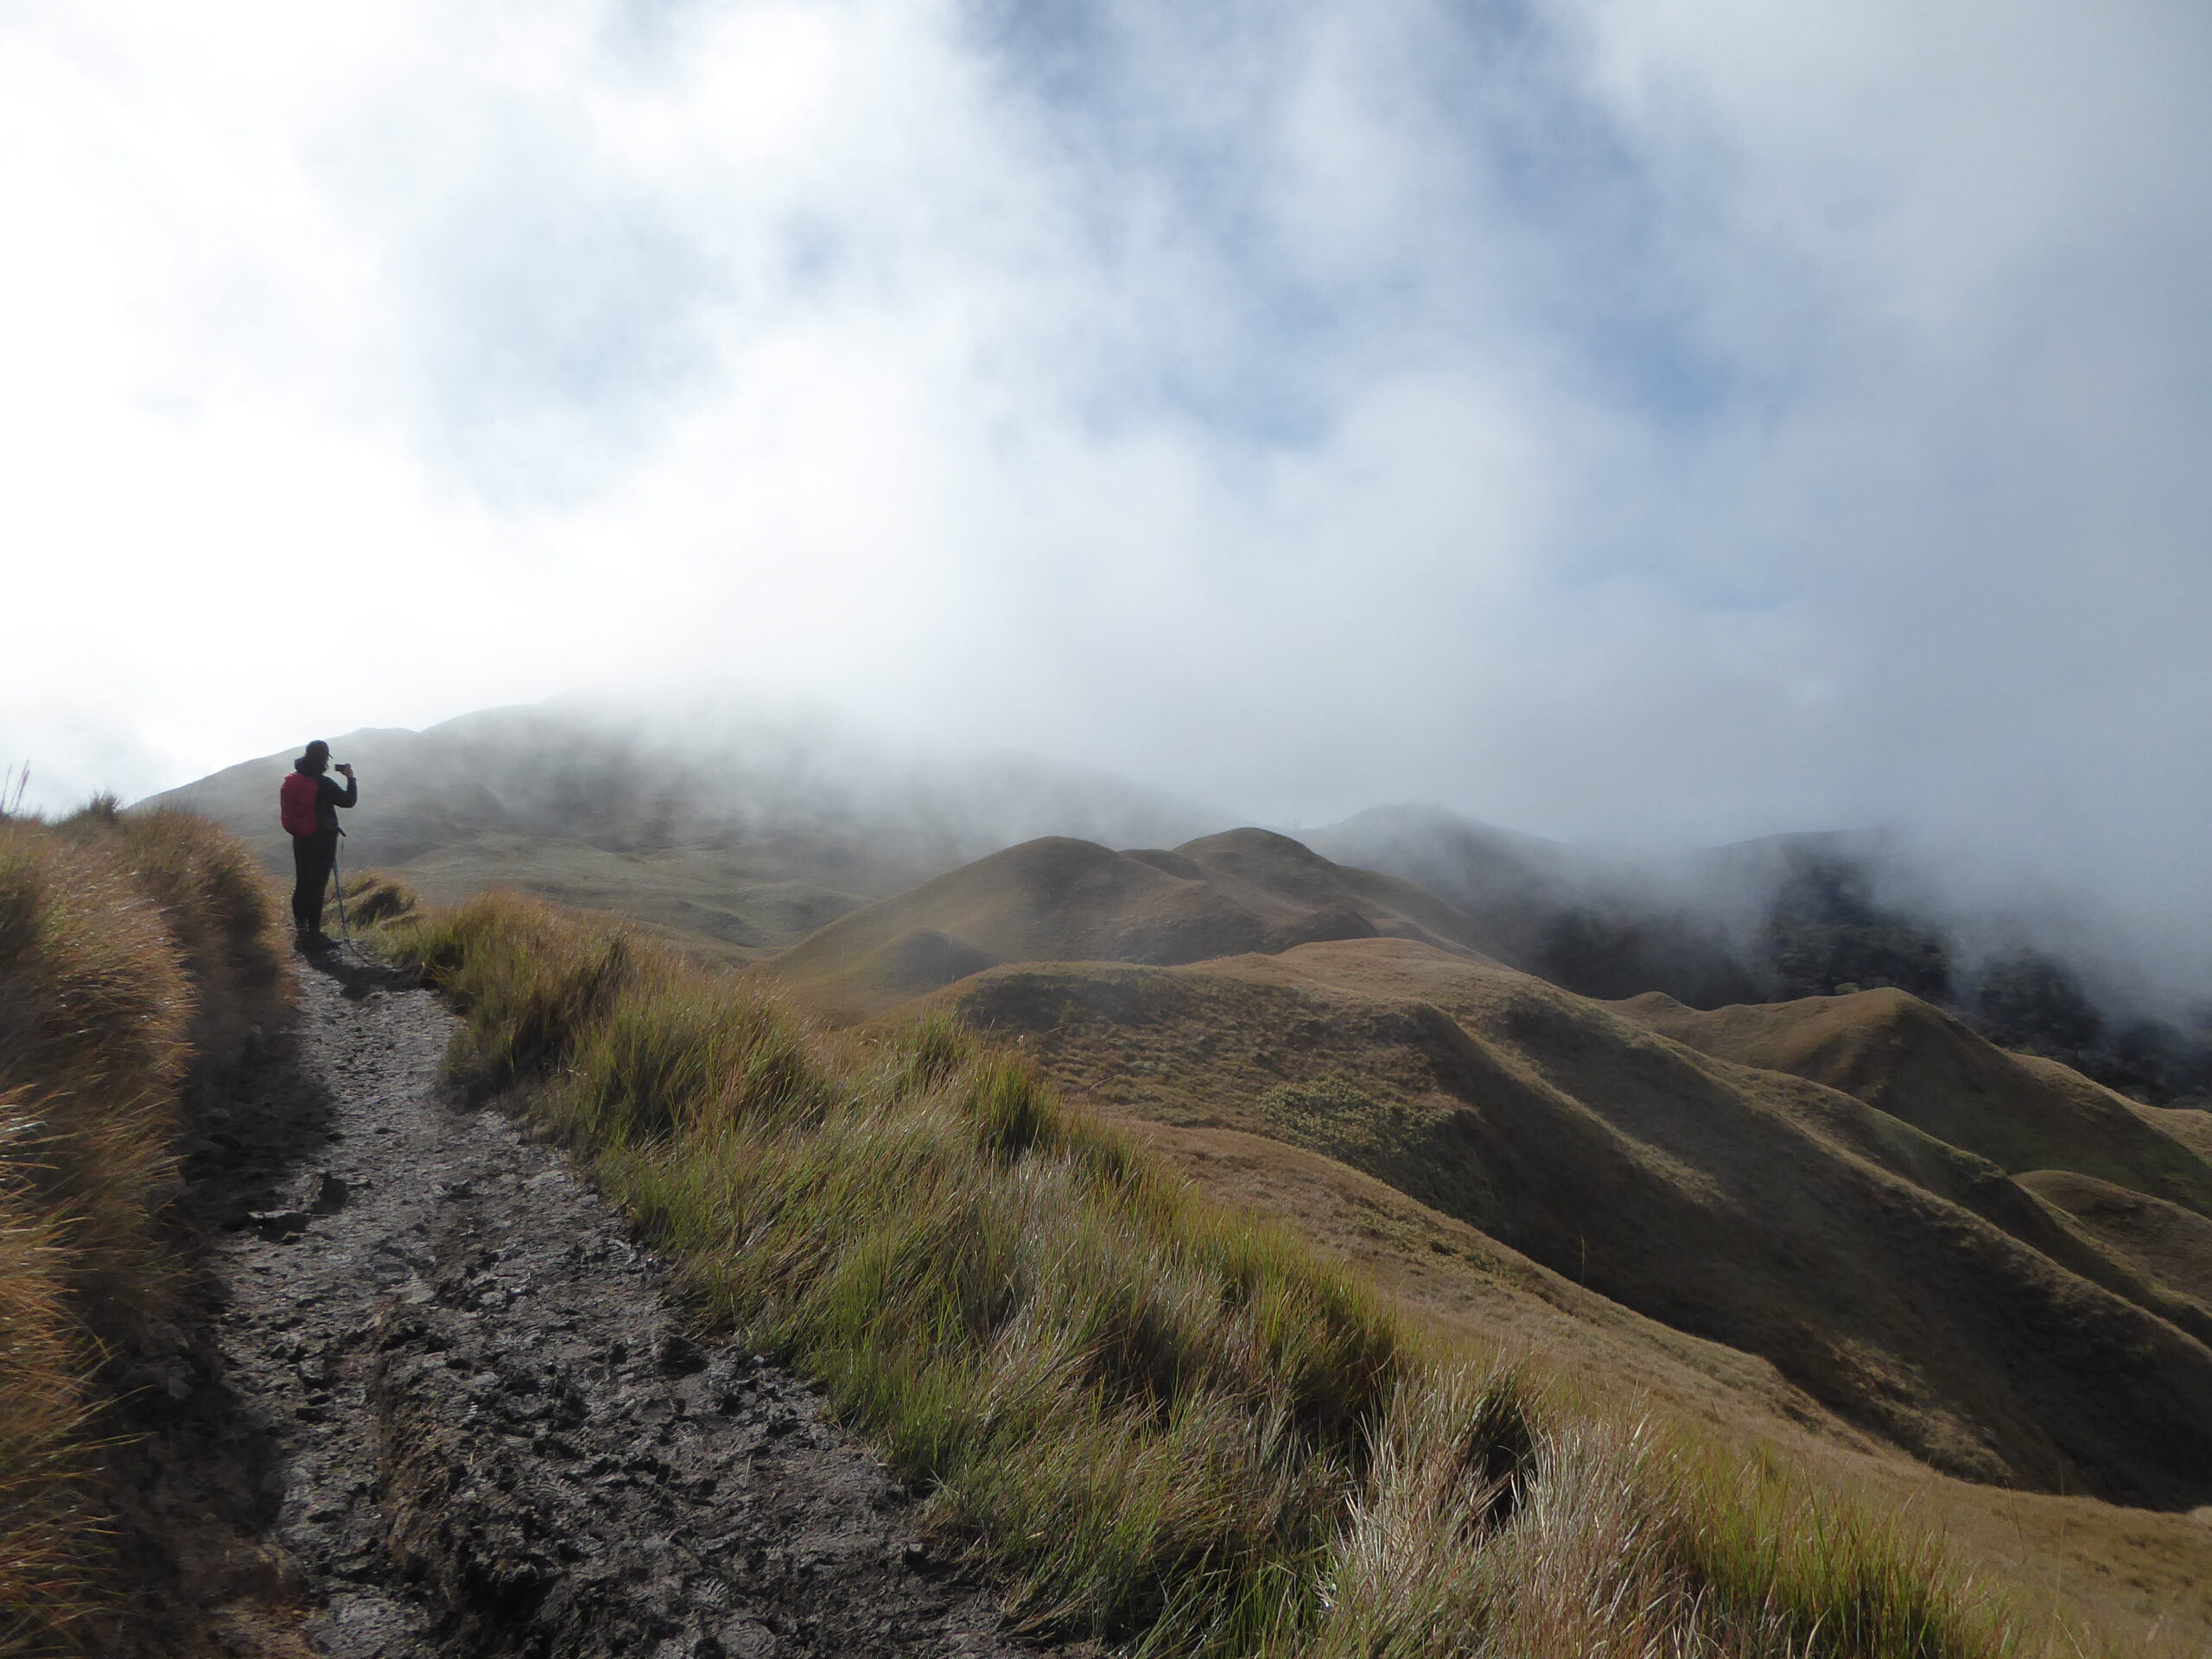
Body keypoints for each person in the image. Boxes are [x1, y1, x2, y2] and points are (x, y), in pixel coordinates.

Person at [279, 740, 358, 947]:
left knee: (303, 879)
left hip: (301, 836)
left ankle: (300, 925)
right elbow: (349, 801)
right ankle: (314, 929)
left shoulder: (294, 779)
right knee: (318, 883)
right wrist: (351, 779)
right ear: (325, 759)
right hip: (323, 838)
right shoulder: (324, 784)